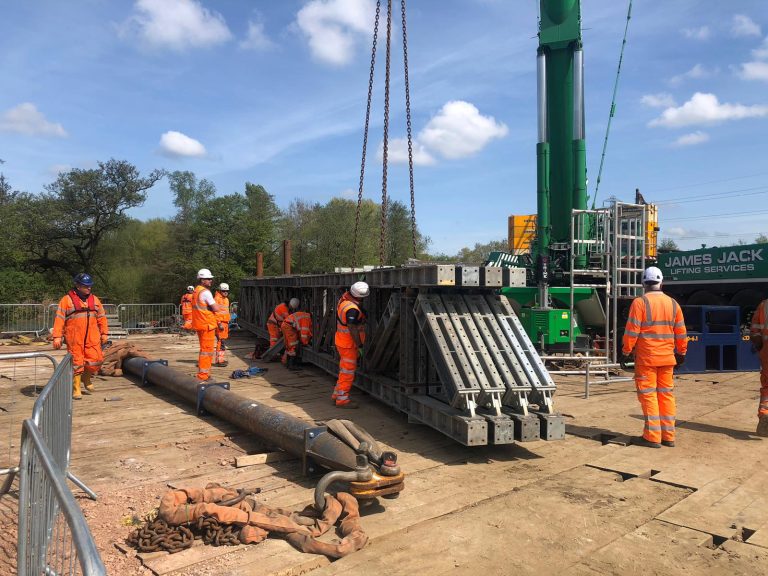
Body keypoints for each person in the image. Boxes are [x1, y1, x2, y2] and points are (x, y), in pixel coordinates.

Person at [622, 266, 687, 448]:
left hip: (647, 359)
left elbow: (632, 330)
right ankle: (668, 436)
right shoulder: (673, 304)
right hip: (667, 359)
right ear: (661, 282)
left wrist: (626, 350)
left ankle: (652, 437)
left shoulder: (640, 303)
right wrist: (681, 353)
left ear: (644, 283)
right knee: (666, 396)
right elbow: (681, 333)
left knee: (649, 396)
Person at [52, 273, 109, 399]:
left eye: (90, 286)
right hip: (74, 336)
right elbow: (59, 319)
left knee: (96, 359)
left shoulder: (95, 300)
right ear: (77, 286)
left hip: (92, 336)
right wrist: (57, 336)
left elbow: (102, 318)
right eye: (85, 286)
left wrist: (104, 333)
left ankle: (86, 378)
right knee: (77, 362)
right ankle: (76, 387)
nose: (89, 288)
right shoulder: (66, 300)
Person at [332, 281, 369, 408]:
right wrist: (359, 345)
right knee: (348, 372)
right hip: (349, 344)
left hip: (341, 341)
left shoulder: (344, 300)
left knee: (344, 370)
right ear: (359, 296)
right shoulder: (352, 310)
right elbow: (352, 327)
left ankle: (337, 394)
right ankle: (342, 400)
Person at [191, 269, 226, 381]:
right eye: (208, 279)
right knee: (207, 351)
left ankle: (204, 374)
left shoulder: (196, 291)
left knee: (203, 350)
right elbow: (215, 308)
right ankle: (203, 376)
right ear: (202, 280)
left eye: (211, 278)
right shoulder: (205, 292)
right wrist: (218, 307)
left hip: (200, 324)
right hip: (207, 326)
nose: (211, 280)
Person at [749, 298, 768, 437]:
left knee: (767, 386)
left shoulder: (764, 305)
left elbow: (754, 331)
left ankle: (764, 414)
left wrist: (760, 347)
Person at [214, 283, 231, 367]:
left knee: (222, 341)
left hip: (225, 323)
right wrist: (219, 323)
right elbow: (215, 312)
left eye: (227, 291)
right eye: (224, 291)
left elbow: (225, 312)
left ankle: (220, 360)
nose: (225, 292)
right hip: (220, 323)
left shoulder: (226, 299)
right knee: (221, 342)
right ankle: (219, 361)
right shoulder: (217, 299)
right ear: (220, 290)